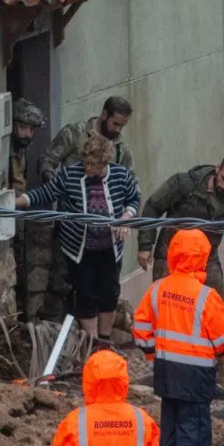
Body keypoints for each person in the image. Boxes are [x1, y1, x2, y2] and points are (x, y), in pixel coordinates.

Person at [131, 228, 224, 446]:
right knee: (194, 433)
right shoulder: (205, 296)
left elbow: (140, 328)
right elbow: (223, 338)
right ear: (202, 257)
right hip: (196, 374)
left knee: (171, 431)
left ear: (173, 253)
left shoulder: (158, 288)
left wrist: (153, 352)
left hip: (165, 370)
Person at [18, 134, 140, 342]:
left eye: (96, 166)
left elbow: (134, 198)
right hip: (80, 249)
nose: (90, 169)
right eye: (88, 163)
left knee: (109, 294)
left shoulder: (121, 175)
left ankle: (105, 340)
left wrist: (126, 217)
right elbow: (46, 193)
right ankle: (92, 343)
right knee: (86, 295)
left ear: (106, 163)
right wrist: (17, 201)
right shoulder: (70, 175)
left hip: (110, 248)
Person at [136, 155, 224, 289]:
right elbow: (153, 206)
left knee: (218, 305)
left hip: (207, 261)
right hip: (171, 256)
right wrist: (145, 246)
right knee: (169, 303)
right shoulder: (185, 183)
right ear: (218, 168)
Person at [41, 96, 134, 181]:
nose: (118, 130)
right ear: (104, 114)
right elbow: (47, 161)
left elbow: (131, 180)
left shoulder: (121, 149)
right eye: (115, 124)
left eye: (122, 126)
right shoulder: (75, 133)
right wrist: (54, 187)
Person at [8, 97, 45, 192]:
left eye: (31, 129)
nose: (28, 134)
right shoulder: (6, 153)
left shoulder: (22, 148)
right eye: (23, 127)